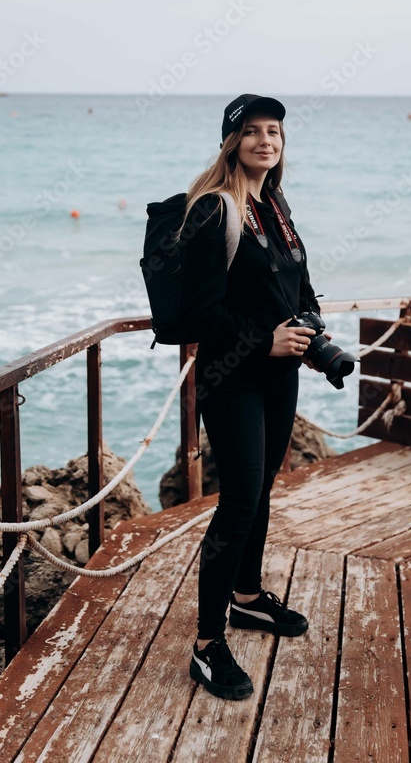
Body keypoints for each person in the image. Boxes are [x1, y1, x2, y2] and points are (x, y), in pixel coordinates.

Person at [179, 93, 325, 701]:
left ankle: (246, 599)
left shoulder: (276, 204)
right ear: (230, 142)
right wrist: (263, 343)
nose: (267, 140)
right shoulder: (216, 211)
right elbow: (197, 312)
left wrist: (313, 333)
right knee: (238, 500)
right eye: (253, 132)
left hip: (277, 372)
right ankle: (207, 644)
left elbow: (302, 287)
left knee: (261, 486)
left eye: (276, 132)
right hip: (233, 374)